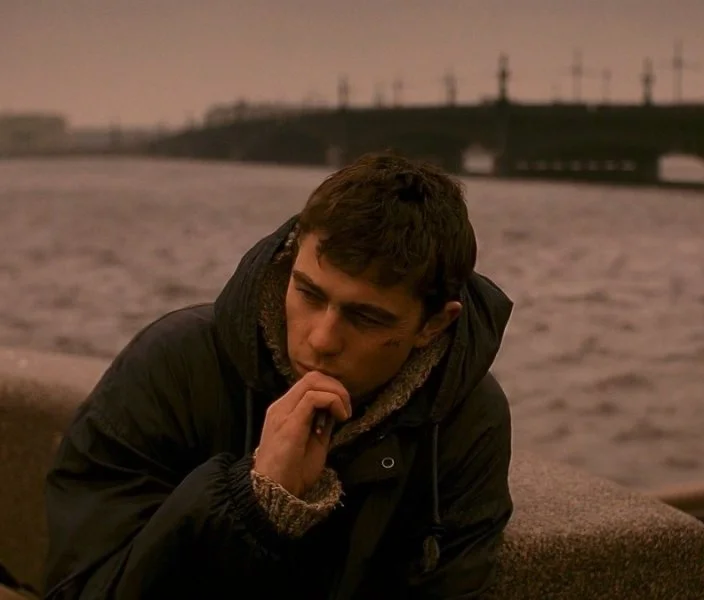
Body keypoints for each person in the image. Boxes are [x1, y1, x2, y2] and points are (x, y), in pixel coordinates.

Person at [43, 152, 514, 599]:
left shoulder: (466, 418)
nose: (322, 339)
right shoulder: (174, 366)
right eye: (308, 293)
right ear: (290, 261)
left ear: (435, 324)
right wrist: (252, 504)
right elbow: (80, 588)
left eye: (366, 318)